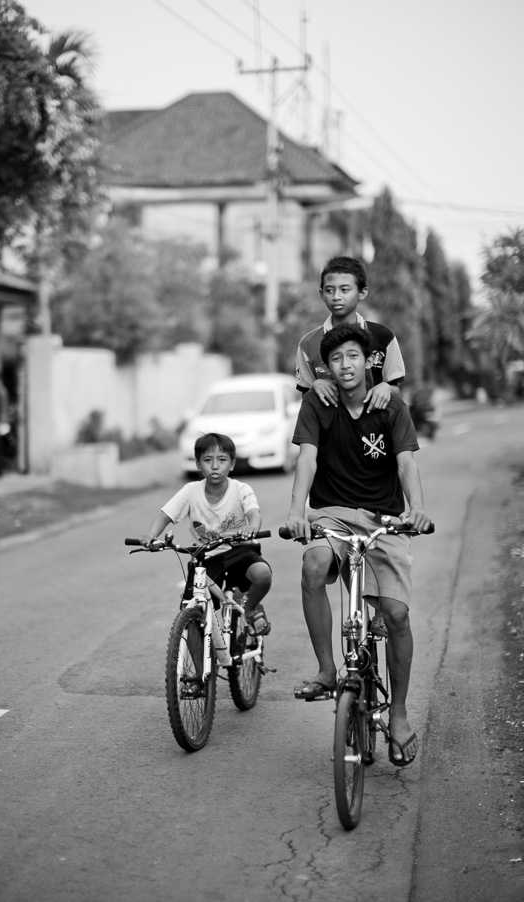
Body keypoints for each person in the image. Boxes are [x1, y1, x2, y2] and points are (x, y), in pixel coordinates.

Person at [285, 324, 432, 767]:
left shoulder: (389, 404)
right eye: (335, 359)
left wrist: (417, 509)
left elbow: (406, 463)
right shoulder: (318, 402)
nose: (345, 365)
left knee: (396, 614)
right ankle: (328, 670)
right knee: (313, 566)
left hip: (384, 518)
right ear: (325, 368)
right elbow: (307, 458)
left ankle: (400, 715)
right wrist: (296, 512)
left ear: (368, 362)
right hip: (331, 512)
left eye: (353, 357)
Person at [142, 432, 273, 636]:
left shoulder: (241, 489)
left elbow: (253, 513)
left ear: (232, 464)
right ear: (197, 463)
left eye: (222, 460)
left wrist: (252, 527)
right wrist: (151, 534)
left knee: (263, 574)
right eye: (207, 460)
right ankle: (198, 663)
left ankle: (251, 608)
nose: (214, 466)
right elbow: (165, 514)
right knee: (191, 610)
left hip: (240, 550)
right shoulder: (191, 491)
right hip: (206, 557)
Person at [296, 255, 406, 413]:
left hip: (375, 433)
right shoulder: (307, 344)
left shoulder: (384, 337)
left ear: (362, 293)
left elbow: (396, 392)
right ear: (321, 294)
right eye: (329, 290)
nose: (336, 297)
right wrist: (315, 386)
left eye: (345, 290)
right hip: (330, 434)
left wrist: (387, 388)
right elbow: (306, 400)